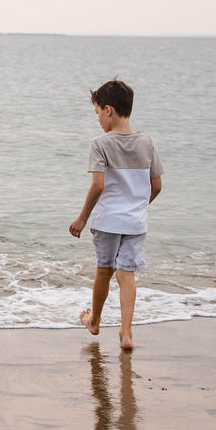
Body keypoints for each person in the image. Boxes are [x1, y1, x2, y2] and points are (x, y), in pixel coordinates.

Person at [69, 79, 163, 350]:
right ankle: (126, 333)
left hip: (107, 220)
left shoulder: (100, 144)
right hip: (135, 222)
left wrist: (82, 218)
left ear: (108, 110)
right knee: (127, 274)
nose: (98, 118)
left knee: (104, 270)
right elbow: (156, 186)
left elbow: (98, 185)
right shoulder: (147, 143)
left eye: (98, 112)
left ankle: (95, 321)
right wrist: (137, 207)